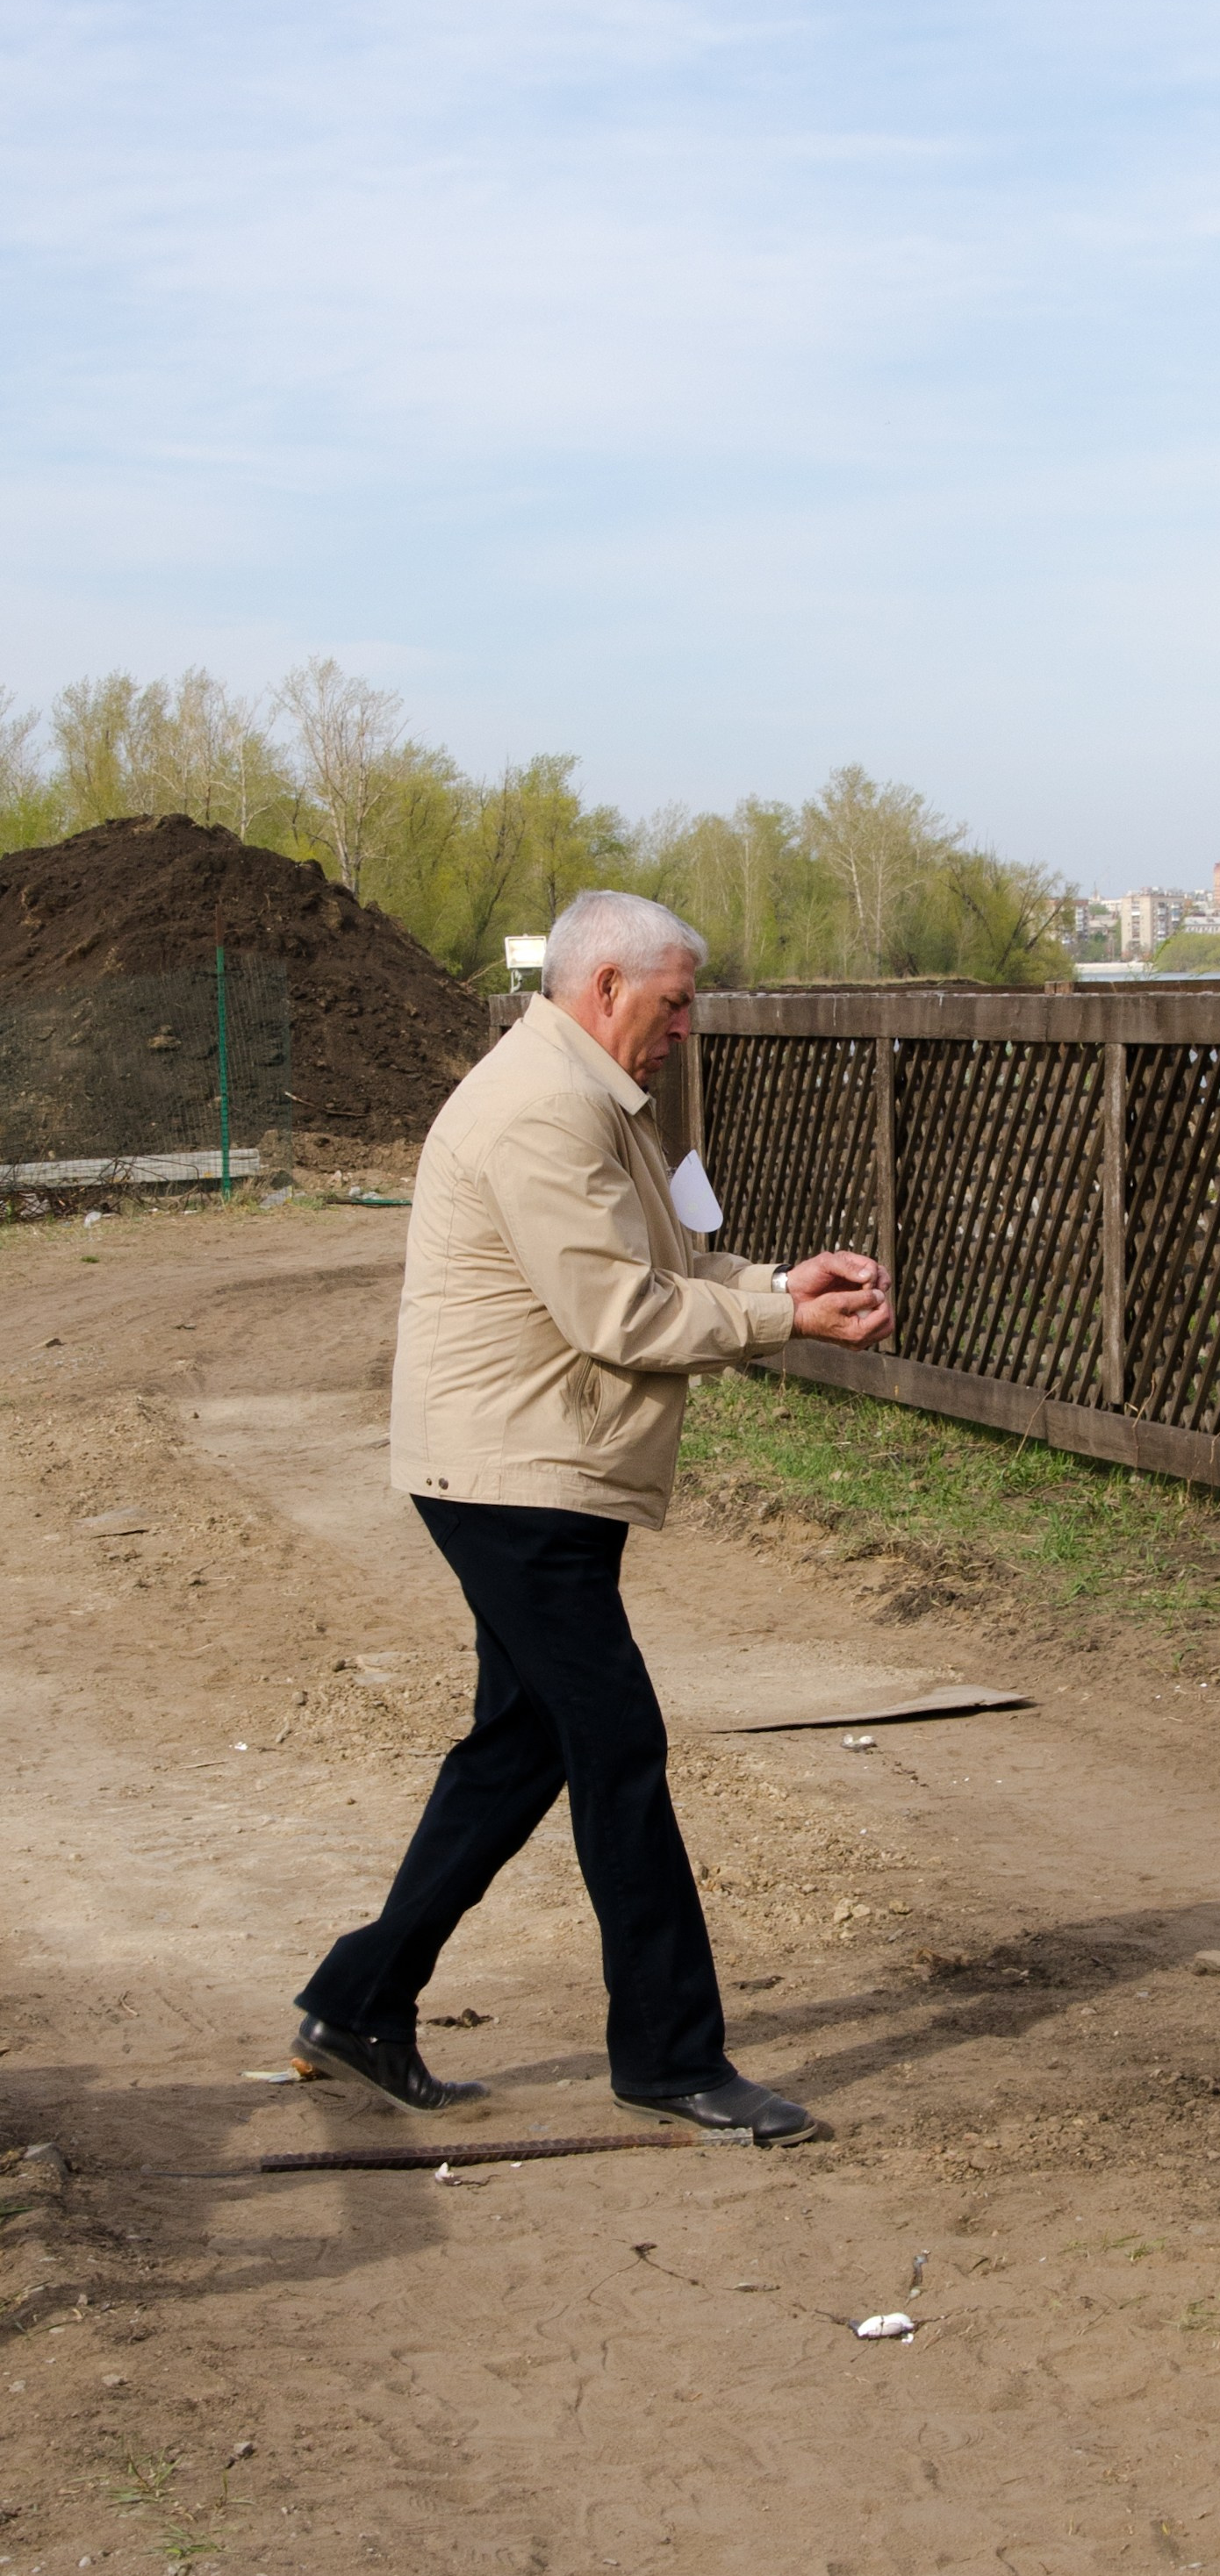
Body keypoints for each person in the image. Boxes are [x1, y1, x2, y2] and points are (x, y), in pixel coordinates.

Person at [291, 891, 893, 2143]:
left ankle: (358, 2000)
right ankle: (671, 2055)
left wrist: (783, 1283)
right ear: (606, 986)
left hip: (526, 1464)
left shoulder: (584, 1094)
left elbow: (664, 1264)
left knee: (523, 1748)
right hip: (512, 1476)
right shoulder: (542, 1111)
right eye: (675, 1003)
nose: (688, 1026)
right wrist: (786, 1320)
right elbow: (618, 1315)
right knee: (617, 1744)